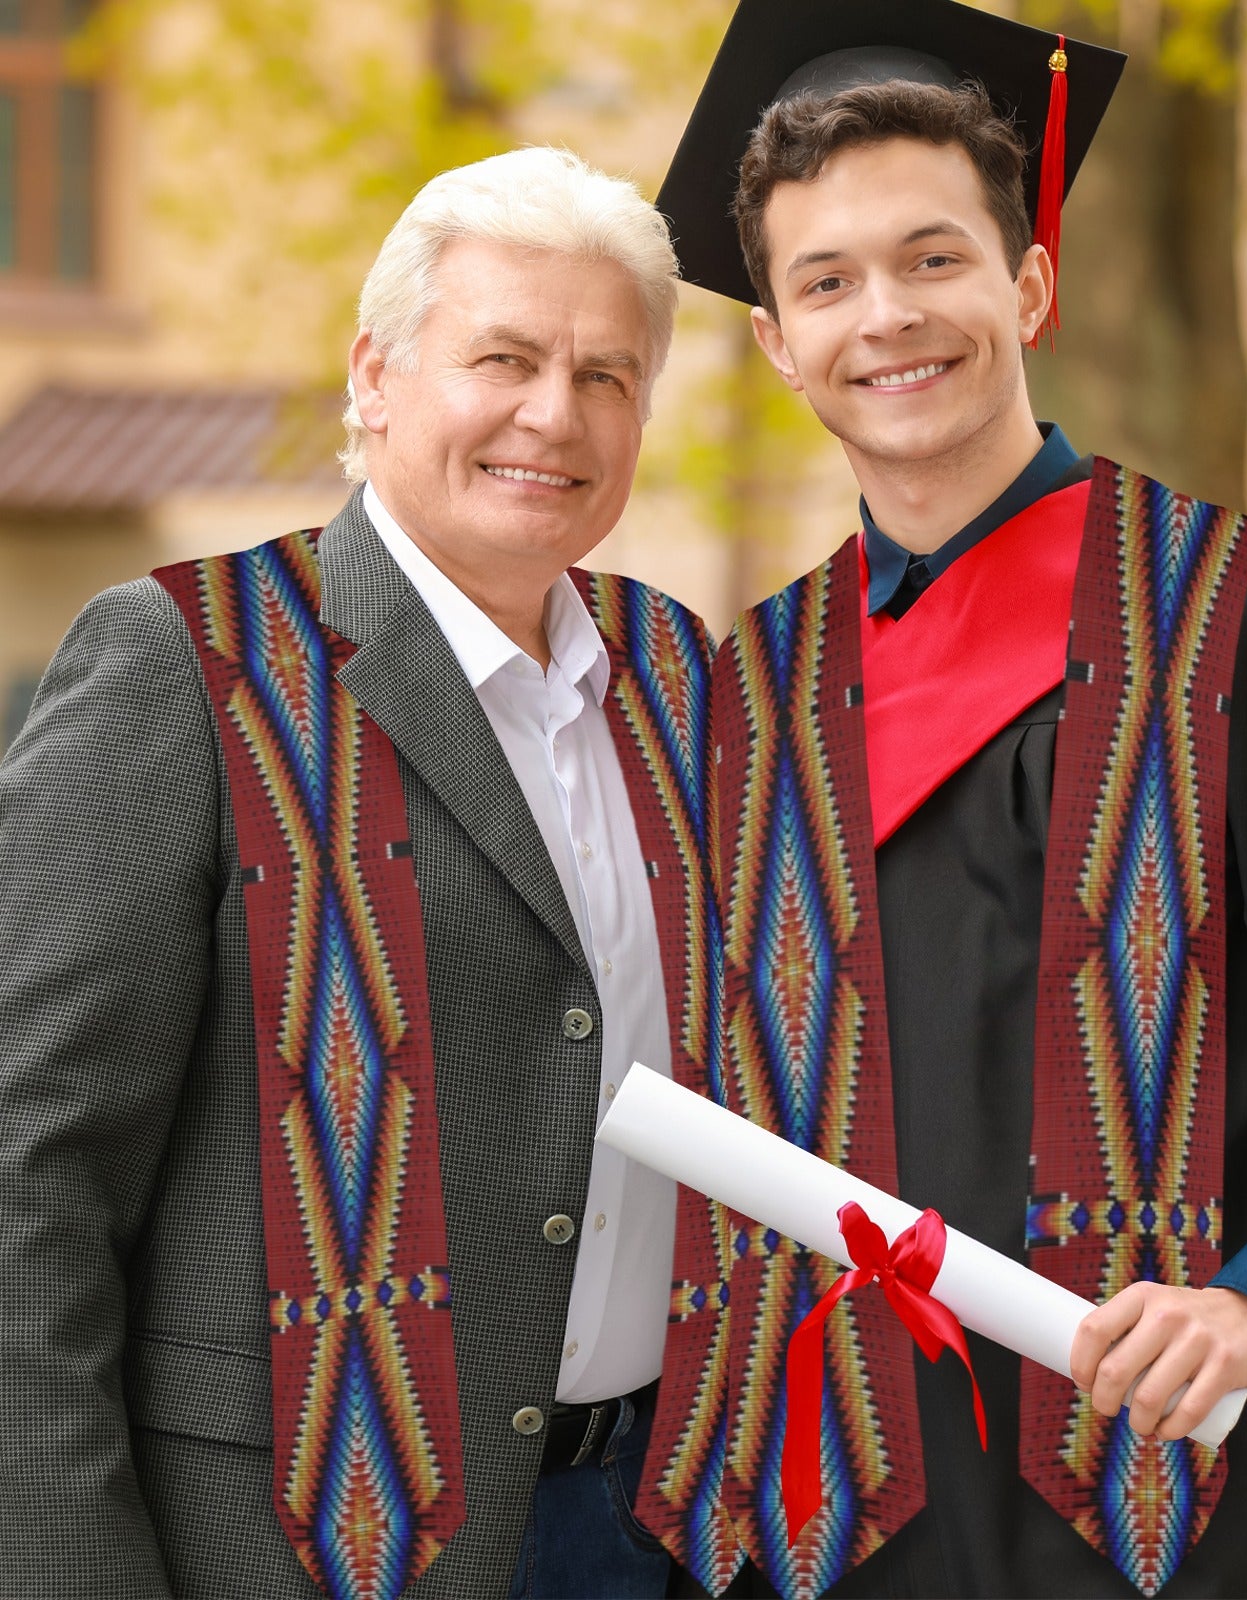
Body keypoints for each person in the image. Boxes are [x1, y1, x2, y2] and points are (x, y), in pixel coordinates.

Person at [635, 3, 1247, 1597]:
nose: (887, 316)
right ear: (777, 341)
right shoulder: (751, 699)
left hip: (1205, 1490)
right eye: (827, 281)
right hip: (860, 1523)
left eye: (934, 258)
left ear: (1029, 282)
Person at [0, 146, 716, 1600]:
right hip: (293, 1546)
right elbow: (28, 1175)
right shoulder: (183, 664)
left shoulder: (682, 681)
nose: (552, 414)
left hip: (648, 1529)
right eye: (503, 357)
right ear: (376, 377)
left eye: (606, 375)